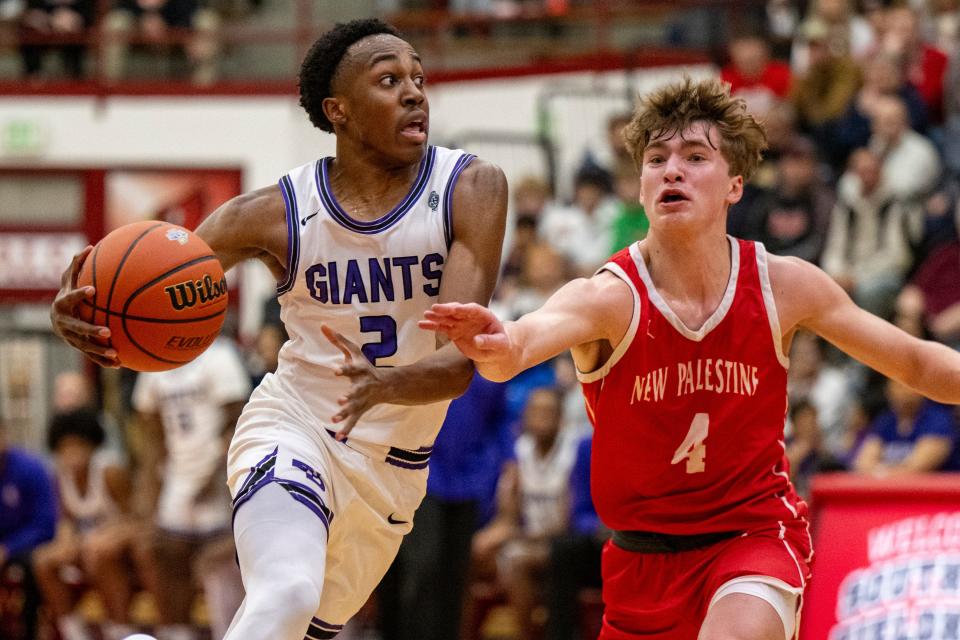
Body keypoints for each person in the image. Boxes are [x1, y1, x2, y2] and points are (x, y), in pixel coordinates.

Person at [420, 76, 960, 639]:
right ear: (641, 186)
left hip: (752, 537)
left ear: (735, 184)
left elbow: (917, 364)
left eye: (695, 156)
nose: (672, 169)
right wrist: (495, 341)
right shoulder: (610, 297)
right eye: (657, 159)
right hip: (640, 562)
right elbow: (518, 347)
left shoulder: (783, 285)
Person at [50, 18, 507, 640]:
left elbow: (458, 367)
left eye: (418, 78)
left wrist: (384, 384)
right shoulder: (272, 213)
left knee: (286, 628)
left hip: (393, 469)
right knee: (286, 592)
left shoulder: (470, 187)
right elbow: (142, 283)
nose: (414, 92)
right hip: (295, 426)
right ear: (337, 110)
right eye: (389, 79)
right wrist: (87, 314)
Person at [131, 336, 250, 640]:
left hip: (220, 474)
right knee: (164, 554)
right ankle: (177, 633)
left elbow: (238, 419)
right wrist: (149, 489)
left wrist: (217, 473)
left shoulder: (219, 355)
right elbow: (151, 433)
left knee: (221, 563)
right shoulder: (152, 359)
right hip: (177, 477)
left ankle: (235, 633)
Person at [32, 409, 140, 640]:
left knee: (99, 552)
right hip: (88, 546)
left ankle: (119, 628)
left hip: (121, 547)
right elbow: (66, 523)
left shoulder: (110, 472)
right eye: (65, 449)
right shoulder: (60, 476)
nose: (72, 454)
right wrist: (65, 544)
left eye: (77, 446)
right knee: (43, 560)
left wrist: (106, 537)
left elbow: (138, 520)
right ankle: (73, 630)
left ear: (92, 445)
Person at [0, 412, 57, 640]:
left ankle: (29, 631)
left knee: (35, 564)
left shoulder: (31, 469)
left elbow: (45, 526)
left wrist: (7, 549)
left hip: (25, 546)